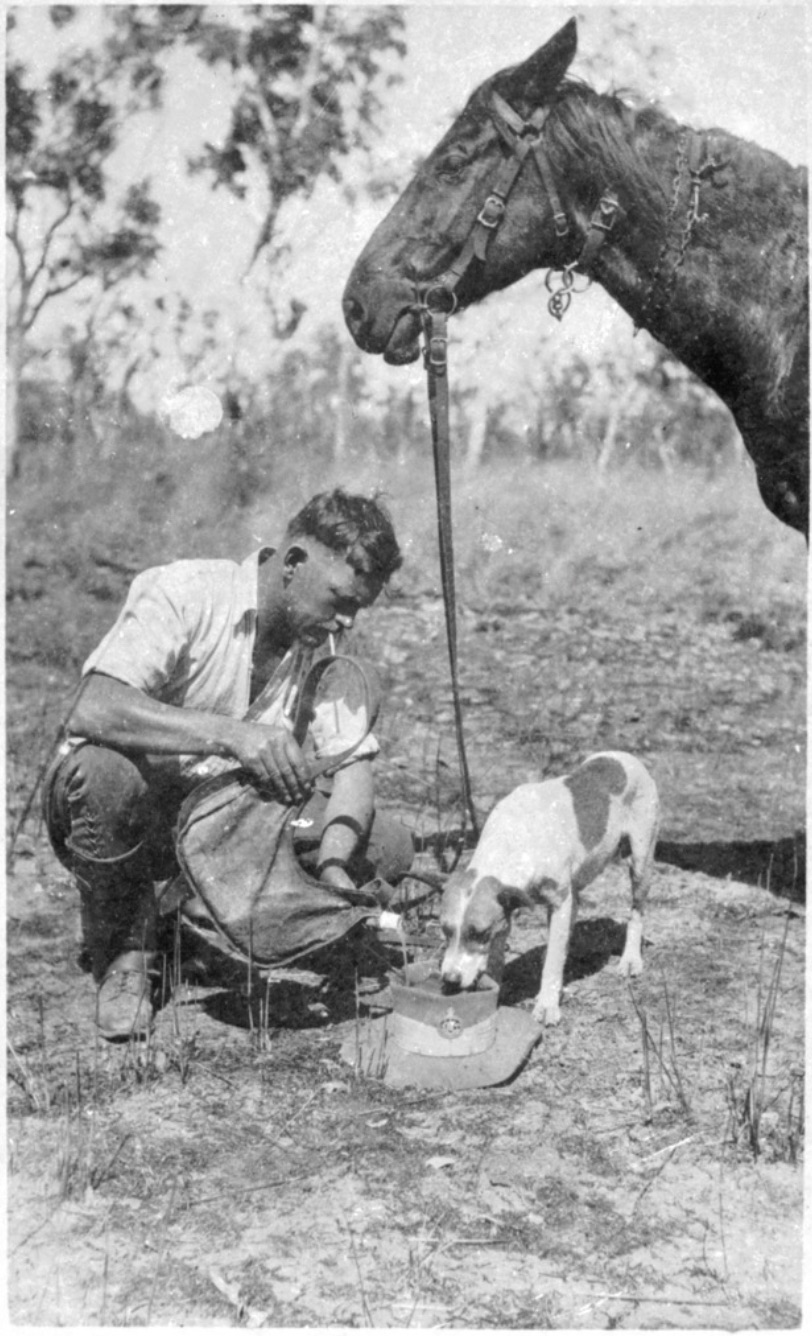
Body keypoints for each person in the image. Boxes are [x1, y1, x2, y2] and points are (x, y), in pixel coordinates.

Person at [42, 489, 413, 1040]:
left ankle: (191, 911)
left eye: (359, 607)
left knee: (386, 844)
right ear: (293, 563)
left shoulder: (324, 649)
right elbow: (90, 706)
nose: (346, 621)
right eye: (339, 599)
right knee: (105, 775)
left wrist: (335, 868)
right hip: (127, 812)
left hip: (222, 825)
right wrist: (231, 736)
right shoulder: (189, 591)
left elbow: (355, 774)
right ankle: (126, 955)